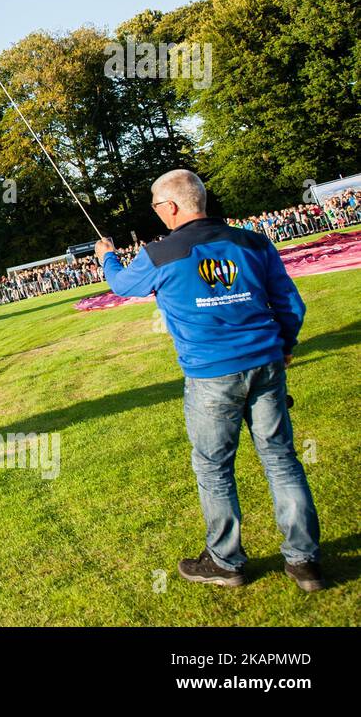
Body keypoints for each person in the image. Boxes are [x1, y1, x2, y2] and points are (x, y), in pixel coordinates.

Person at [96, 169, 323, 592]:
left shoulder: (161, 253)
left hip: (211, 374)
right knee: (281, 459)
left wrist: (106, 255)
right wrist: (285, 344)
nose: (158, 214)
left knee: (214, 467)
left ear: (173, 206)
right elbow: (290, 302)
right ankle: (304, 560)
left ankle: (226, 560)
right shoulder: (253, 241)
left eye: (157, 207)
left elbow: (120, 284)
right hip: (266, 363)